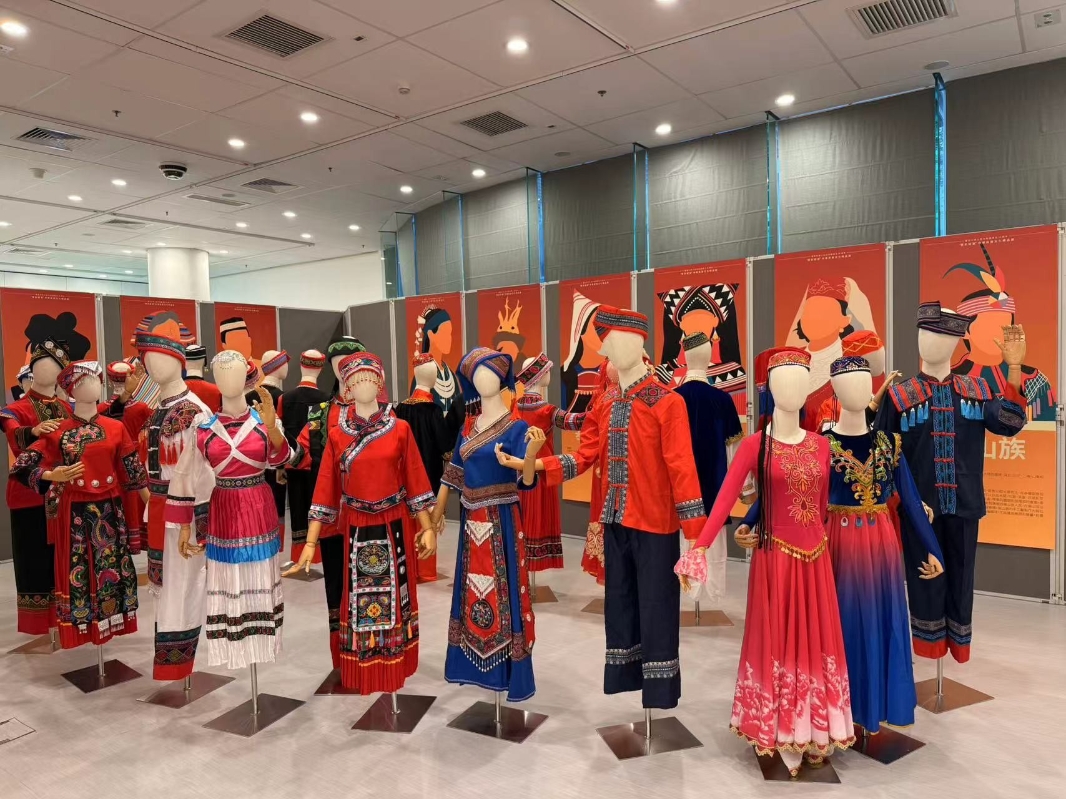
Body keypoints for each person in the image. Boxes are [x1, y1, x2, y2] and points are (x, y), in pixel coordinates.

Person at [287, 354, 437, 693]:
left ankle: (394, 667)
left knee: (396, 600)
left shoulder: (400, 429)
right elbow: (326, 488)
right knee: (359, 601)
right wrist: (310, 542)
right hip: (355, 528)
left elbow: (414, 478)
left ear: (380, 384)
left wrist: (427, 526)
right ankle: (366, 671)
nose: (363, 385)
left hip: (393, 526)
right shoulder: (337, 435)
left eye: (370, 378)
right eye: (356, 380)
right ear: (347, 388)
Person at [946, 244, 1056, 421]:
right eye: (990, 324)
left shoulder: (1034, 380)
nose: (1000, 332)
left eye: (1005, 325)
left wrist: (1015, 367)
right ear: (965, 331)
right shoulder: (952, 380)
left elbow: (1044, 425)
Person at [656, 282, 747, 415]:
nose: (697, 325)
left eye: (704, 318)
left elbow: (739, 417)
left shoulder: (734, 372)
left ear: (715, 321)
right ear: (681, 325)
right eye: (690, 319)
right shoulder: (663, 373)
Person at [560, 290, 604, 415]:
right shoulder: (566, 373)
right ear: (581, 331)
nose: (603, 334)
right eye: (596, 327)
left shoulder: (612, 371)